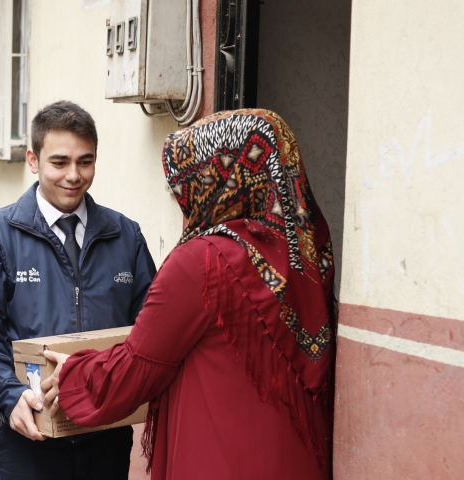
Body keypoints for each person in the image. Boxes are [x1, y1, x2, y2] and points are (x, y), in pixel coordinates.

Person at [42, 109, 337, 480]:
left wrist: (75, 373)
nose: (181, 199)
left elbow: (138, 367)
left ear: (215, 181)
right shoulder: (307, 253)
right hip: (296, 458)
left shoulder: (202, 261)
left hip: (221, 458)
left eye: (183, 186)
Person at [0, 100, 157, 479]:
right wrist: (9, 395)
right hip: (28, 441)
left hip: (107, 437)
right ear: (33, 159)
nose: (74, 175)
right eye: (59, 162)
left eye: (85, 161)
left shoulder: (126, 237)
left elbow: (150, 330)